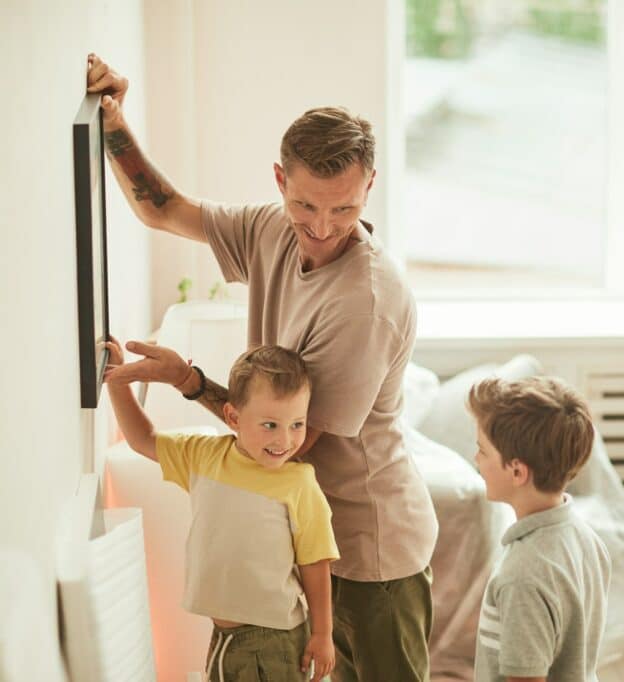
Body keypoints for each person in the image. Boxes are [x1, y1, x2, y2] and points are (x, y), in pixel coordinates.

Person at [87, 53, 439, 681]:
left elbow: (284, 444)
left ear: (370, 188)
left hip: (368, 546)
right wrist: (113, 117)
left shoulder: (367, 301)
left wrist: (190, 382)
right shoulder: (268, 230)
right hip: (306, 532)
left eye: (344, 209)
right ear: (280, 180)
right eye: (306, 205)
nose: (323, 228)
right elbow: (160, 208)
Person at [105, 341, 338, 681]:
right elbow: (143, 439)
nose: (285, 440)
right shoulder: (204, 457)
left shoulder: (299, 484)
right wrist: (118, 381)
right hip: (223, 637)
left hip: (276, 640)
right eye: (270, 425)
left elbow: (316, 562)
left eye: (297, 424)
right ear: (233, 416)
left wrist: (322, 635)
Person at [467, 376, 611, 682]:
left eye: (482, 451)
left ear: (517, 471)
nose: (475, 459)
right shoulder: (587, 538)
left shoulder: (522, 577)